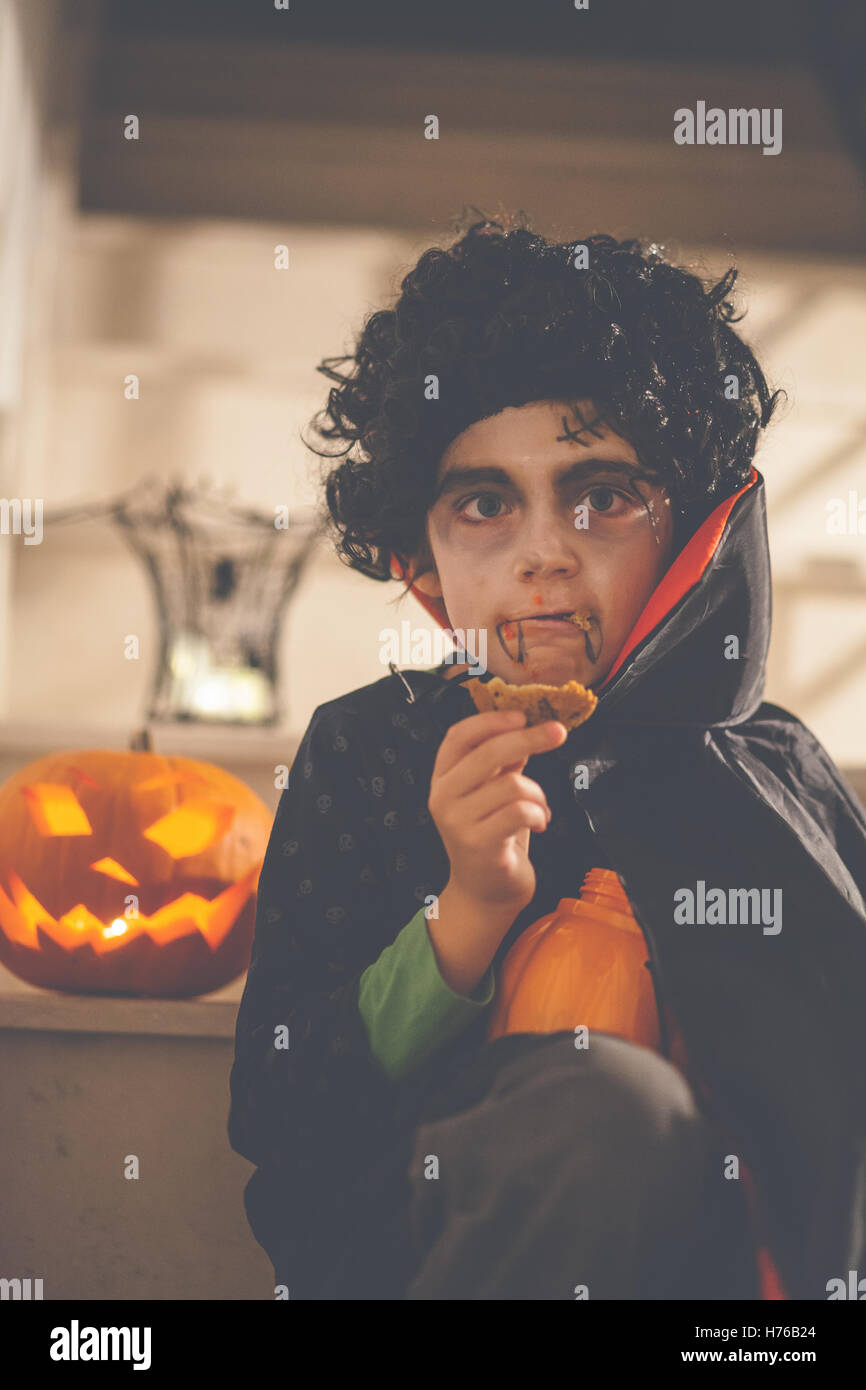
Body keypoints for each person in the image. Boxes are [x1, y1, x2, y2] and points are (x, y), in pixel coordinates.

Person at [228, 214, 866, 1300]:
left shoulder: (772, 771)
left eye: (602, 497)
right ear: (421, 562)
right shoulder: (368, 751)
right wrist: (465, 912)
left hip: (733, 1277)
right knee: (598, 1109)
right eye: (483, 503)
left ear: (691, 533)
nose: (541, 552)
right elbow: (286, 1106)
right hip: (437, 1232)